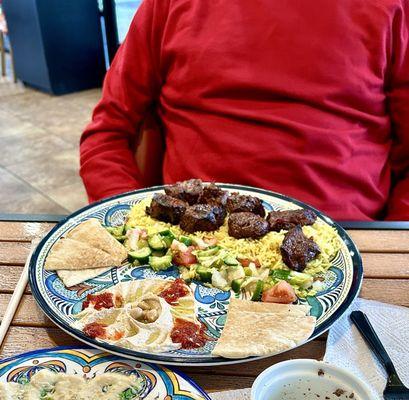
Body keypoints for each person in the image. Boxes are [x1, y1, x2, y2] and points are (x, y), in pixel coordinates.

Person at [80, 0, 409, 221]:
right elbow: (107, 133)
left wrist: (390, 247)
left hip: (349, 241)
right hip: (195, 245)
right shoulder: (168, 5)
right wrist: (129, 225)